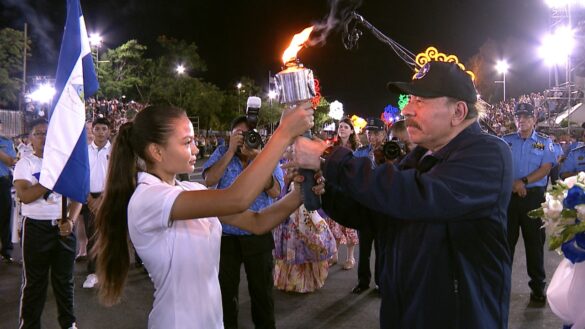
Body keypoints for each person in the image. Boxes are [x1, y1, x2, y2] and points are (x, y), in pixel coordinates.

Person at [292, 61, 513, 328]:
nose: (406, 109)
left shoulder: (489, 154)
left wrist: (330, 157)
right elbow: (373, 213)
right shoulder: (418, 157)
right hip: (406, 311)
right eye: (410, 99)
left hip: (458, 316)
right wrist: (326, 191)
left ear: (458, 111)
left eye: (420, 101)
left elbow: (416, 196)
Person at [93, 105, 315, 328]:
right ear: (157, 151)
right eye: (186, 142)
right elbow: (236, 198)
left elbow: (257, 222)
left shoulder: (188, 189)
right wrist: (283, 133)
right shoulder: (149, 198)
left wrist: (300, 193)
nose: (196, 149)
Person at [202, 115, 284, 329]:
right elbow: (210, 180)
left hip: (258, 235)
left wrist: (257, 160)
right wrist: (229, 151)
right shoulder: (222, 152)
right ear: (231, 135)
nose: (243, 138)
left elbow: (276, 191)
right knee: (226, 294)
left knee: (262, 294)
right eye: (238, 134)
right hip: (226, 236)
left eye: (248, 134)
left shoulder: (267, 155)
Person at [14, 119, 82, 329]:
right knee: (35, 282)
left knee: (64, 280)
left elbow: (77, 196)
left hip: (62, 227)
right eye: (38, 133)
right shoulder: (25, 164)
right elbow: (25, 195)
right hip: (35, 227)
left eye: (47, 133)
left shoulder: (66, 163)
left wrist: (71, 220)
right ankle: (29, 325)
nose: (43, 137)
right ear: (30, 139)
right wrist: (50, 179)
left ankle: (69, 323)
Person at [502, 103, 555, 307]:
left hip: (533, 197)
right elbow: (499, 165)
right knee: (505, 244)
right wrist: (513, 186)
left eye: (525, 116)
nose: (521, 120)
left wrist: (523, 182)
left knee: (534, 244)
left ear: (534, 120)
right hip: (509, 198)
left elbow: (546, 167)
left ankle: (537, 288)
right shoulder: (506, 141)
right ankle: (502, 286)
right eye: (518, 117)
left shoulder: (542, 143)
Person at [272, 146, 337, 293]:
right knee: (290, 244)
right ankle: (290, 281)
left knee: (306, 245)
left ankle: (305, 281)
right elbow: (280, 188)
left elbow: (320, 185)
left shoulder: (311, 165)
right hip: (288, 208)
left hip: (306, 209)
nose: (291, 151)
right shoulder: (282, 164)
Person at [350, 117, 386, 294]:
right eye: (369, 133)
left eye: (376, 133)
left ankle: (381, 282)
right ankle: (363, 281)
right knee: (363, 248)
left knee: (382, 248)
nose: (372, 136)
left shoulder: (391, 152)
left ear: (384, 134)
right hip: (364, 207)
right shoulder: (361, 152)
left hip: (382, 208)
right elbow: (349, 168)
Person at [82, 117, 112, 289]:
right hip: (89, 197)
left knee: (110, 235)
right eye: (97, 129)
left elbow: (116, 176)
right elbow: (81, 177)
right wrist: (89, 199)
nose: (100, 132)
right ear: (92, 131)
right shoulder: (84, 151)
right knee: (92, 236)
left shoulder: (115, 151)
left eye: (104, 129)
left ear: (109, 131)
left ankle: (109, 270)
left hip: (109, 197)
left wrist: (102, 198)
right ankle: (92, 273)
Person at [327, 118, 359, 270]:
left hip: (350, 190)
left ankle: (350, 257)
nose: (343, 129)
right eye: (341, 127)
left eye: (346, 127)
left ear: (352, 130)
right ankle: (334, 255)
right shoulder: (333, 147)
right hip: (335, 189)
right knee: (334, 224)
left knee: (349, 226)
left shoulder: (357, 148)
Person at [0, 119, 16, 262]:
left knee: (5, 216)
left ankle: (6, 250)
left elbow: (11, 161)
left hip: (3, 181)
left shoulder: (6, 142)